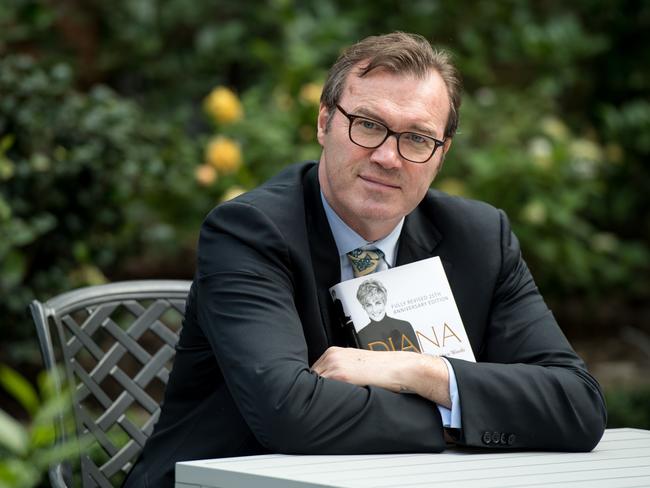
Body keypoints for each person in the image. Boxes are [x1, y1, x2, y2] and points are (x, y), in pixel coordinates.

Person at [123, 31, 606, 487]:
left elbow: (578, 405)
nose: (388, 157)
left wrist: (421, 372)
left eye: (417, 137)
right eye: (368, 125)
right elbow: (289, 415)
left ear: (442, 154)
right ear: (324, 122)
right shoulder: (249, 231)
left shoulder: (480, 238)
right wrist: (469, 415)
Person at [355, 279, 420, 352]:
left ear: (384, 302)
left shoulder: (405, 326)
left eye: (378, 303)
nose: (374, 310)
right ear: (364, 307)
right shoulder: (361, 335)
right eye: (369, 305)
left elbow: (419, 358)